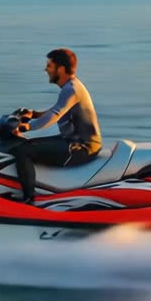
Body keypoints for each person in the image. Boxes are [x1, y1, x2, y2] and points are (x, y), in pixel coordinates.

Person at [10, 48, 102, 204]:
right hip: (73, 141)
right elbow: (57, 109)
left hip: (82, 147)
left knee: (23, 151)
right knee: (25, 144)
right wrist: (34, 114)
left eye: (49, 65)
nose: (45, 69)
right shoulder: (71, 87)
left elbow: (55, 115)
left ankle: (29, 199)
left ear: (60, 69)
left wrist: (27, 127)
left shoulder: (71, 89)